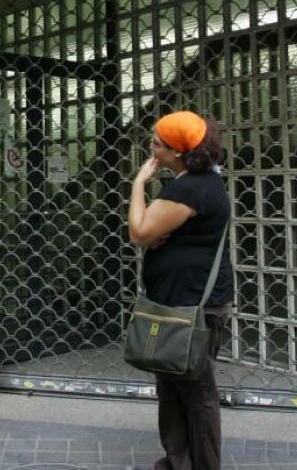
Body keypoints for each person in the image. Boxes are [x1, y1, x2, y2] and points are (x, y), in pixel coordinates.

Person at [126, 111, 232, 470]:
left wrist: (139, 183)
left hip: (192, 305)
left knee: (197, 393)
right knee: (172, 387)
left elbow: (139, 232)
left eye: (158, 143)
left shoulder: (189, 188)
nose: (151, 146)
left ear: (179, 152)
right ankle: (176, 462)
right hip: (180, 301)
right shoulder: (201, 181)